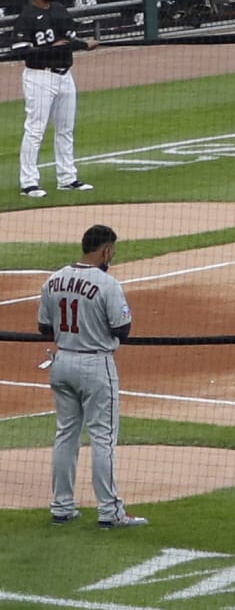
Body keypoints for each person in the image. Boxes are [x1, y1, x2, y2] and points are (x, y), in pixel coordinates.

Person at [41, 225, 144, 529]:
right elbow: (121, 329)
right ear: (106, 250)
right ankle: (110, 511)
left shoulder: (53, 279)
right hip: (95, 366)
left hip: (61, 362)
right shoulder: (107, 283)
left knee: (65, 434)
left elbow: (45, 329)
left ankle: (61, 507)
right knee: (102, 438)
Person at [14, 0, 97, 198]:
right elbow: (20, 50)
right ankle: (28, 183)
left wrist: (83, 44)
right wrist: (52, 48)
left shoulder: (60, 10)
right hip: (40, 77)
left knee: (65, 129)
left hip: (65, 76)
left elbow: (68, 40)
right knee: (35, 130)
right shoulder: (27, 16)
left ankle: (67, 178)